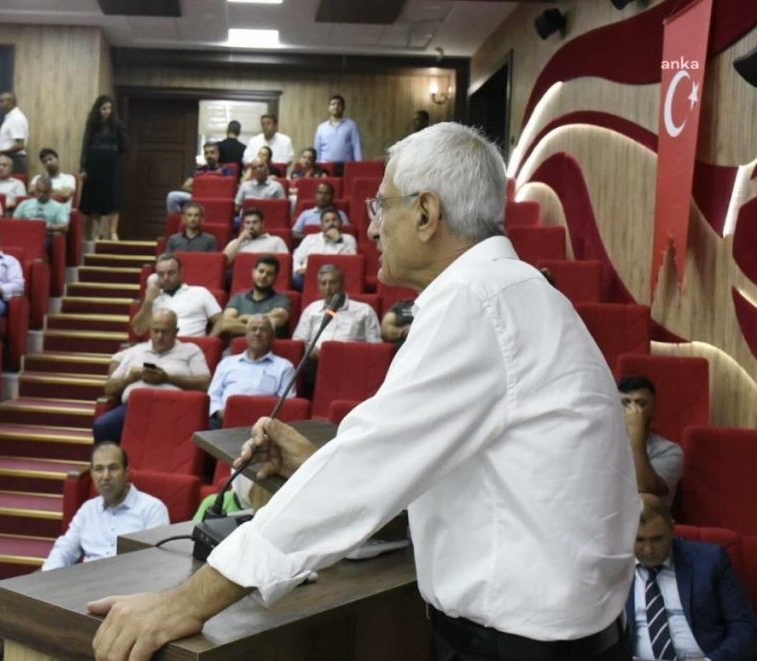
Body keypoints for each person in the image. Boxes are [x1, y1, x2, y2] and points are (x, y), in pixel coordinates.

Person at [88, 123, 639, 661]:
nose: (371, 228)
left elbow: (363, 474)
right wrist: (316, 464)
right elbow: (471, 477)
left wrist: (184, 604)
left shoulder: (476, 302)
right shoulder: (520, 294)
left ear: (425, 213)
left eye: (382, 206)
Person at [628, 494, 757, 660]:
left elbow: (745, 628)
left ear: (671, 529)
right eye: (639, 540)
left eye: (657, 539)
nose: (648, 550)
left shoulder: (710, 561)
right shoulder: (612, 569)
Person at [42, 442, 169, 568]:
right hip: (87, 583)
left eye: (113, 468)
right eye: (99, 469)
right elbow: (64, 549)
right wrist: (47, 579)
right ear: (92, 474)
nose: (106, 476)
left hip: (132, 583)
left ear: (126, 473)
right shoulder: (87, 510)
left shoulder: (153, 509)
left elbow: (157, 563)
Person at [94, 309, 210, 442]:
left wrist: (167, 378)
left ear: (176, 332)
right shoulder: (135, 351)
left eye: (165, 332)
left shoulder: (191, 350)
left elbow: (205, 384)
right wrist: (131, 378)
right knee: (102, 426)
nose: (159, 336)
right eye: (155, 331)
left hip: (175, 409)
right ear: (150, 330)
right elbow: (109, 388)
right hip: (134, 407)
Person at [292, 263, 379, 396]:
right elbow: (297, 341)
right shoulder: (311, 310)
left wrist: (350, 354)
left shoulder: (364, 310)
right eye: (323, 283)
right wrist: (310, 349)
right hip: (317, 363)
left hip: (351, 364)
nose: (328, 288)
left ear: (343, 284)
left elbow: (376, 347)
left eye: (333, 282)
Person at [207, 315, 295, 428]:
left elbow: (287, 404)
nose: (257, 333)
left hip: (264, 426)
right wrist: (220, 412)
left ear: (273, 336)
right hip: (223, 421)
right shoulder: (227, 363)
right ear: (246, 335)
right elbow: (213, 395)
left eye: (263, 330)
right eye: (253, 329)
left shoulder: (284, 367)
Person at [618, 376, 684, 507]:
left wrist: (635, 434)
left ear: (653, 409)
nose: (633, 411)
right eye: (625, 403)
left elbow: (644, 489)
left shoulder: (669, 451)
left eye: (641, 403)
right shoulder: (601, 441)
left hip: (643, 523)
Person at [130, 253, 221, 338]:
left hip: (191, 347)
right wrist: (148, 302)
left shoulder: (200, 292)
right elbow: (138, 331)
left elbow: (220, 321)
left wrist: (208, 340)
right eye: (161, 274)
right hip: (161, 349)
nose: (165, 278)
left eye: (171, 273)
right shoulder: (152, 298)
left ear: (180, 273)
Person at [79, 95, 127, 241]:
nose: (107, 111)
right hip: (94, 165)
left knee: (114, 199)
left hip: (112, 166)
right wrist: (83, 167)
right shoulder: (92, 127)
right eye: (104, 108)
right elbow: (85, 147)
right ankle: (97, 231)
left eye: (110, 108)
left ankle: (113, 232)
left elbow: (125, 146)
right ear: (98, 110)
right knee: (95, 199)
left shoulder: (118, 126)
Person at [213, 254, 291, 339]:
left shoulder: (282, 299)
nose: (264, 276)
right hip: (237, 349)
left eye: (269, 274)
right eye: (261, 271)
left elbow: (278, 318)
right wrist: (261, 329)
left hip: (269, 349)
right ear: (253, 272)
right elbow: (226, 323)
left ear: (275, 277)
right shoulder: (238, 298)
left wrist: (244, 318)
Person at [291, 209, 357, 289]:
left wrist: (339, 241)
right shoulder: (310, 238)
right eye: (327, 221)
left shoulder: (348, 239)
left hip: (334, 277)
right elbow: (296, 258)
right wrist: (298, 269)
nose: (331, 223)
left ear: (341, 223)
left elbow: (352, 262)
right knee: (295, 279)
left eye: (334, 220)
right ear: (321, 226)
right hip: (308, 276)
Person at [165, 142, 234, 214]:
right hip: (199, 196)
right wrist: (200, 191)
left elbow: (229, 189)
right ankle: (181, 220)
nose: (209, 155)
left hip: (217, 198)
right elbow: (185, 186)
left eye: (212, 152)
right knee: (172, 197)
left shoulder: (226, 170)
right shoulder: (199, 170)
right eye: (206, 153)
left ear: (218, 154)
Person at [222, 207, 288, 265]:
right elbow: (223, 263)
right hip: (240, 276)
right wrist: (240, 240)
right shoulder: (236, 243)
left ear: (263, 224)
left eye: (255, 222)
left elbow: (285, 265)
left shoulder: (276, 241)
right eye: (247, 223)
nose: (251, 226)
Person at [314, 94, 363, 164]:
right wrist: (316, 165)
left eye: (339, 104)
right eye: (333, 104)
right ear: (329, 107)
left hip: (346, 165)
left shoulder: (351, 125)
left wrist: (359, 165)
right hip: (325, 165)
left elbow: (357, 147)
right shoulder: (321, 127)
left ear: (343, 107)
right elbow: (317, 149)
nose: (336, 106)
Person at [31, 148, 77, 213]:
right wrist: (57, 192)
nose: (48, 163)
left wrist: (42, 190)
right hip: (40, 211)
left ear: (57, 159)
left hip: (60, 213)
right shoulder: (38, 177)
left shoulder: (69, 178)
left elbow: (66, 194)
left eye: (50, 159)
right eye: (45, 162)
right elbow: (31, 190)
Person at [0, 92, 29, 173]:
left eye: (2, 101)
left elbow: (20, 145)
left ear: (11, 103)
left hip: (14, 160)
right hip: (10, 159)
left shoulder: (16, 118)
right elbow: (12, 141)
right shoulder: (10, 118)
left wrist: (0, 152)